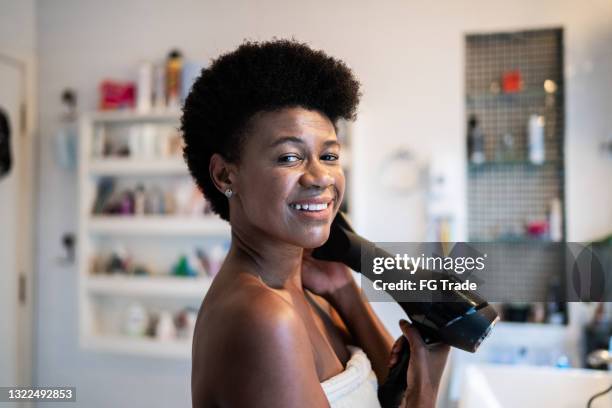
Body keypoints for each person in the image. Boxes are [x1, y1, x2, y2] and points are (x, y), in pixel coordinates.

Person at [182, 39, 449, 408]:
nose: (320, 176)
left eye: (329, 155)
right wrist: (426, 392)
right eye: (290, 157)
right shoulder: (263, 317)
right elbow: (408, 399)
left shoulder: (307, 295)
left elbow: (385, 396)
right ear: (226, 176)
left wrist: (346, 293)